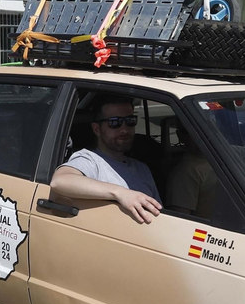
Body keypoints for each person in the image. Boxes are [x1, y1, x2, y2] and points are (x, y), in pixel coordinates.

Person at [50, 94, 164, 224]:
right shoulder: (91, 160)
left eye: (130, 121)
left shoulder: (142, 168)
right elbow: (59, 181)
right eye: (115, 123)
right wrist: (120, 193)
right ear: (97, 129)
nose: (124, 129)